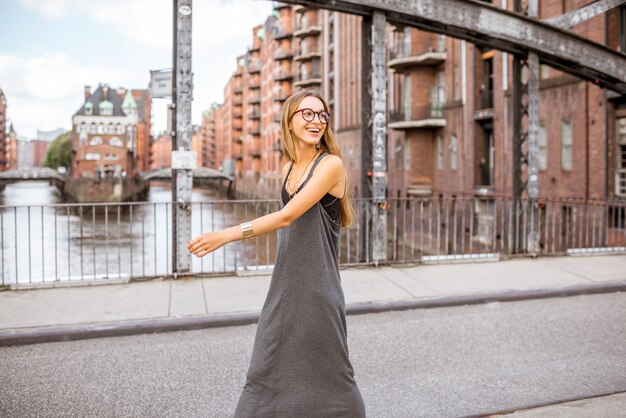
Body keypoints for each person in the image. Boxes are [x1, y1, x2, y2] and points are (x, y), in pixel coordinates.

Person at [187, 89, 366, 417]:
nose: (317, 121)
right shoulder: (288, 169)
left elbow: (286, 217)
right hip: (284, 286)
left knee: (331, 374)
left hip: (318, 289)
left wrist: (227, 235)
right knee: (266, 368)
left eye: (322, 115)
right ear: (290, 121)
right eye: (307, 114)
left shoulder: (331, 165)